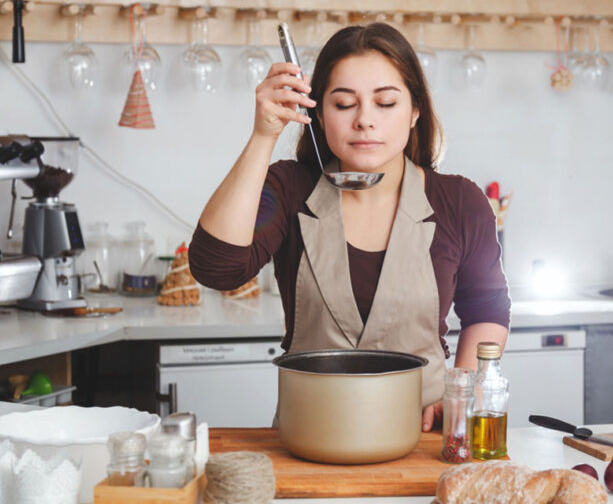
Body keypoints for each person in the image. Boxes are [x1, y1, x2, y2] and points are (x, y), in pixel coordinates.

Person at [189, 23, 510, 431]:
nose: (364, 121)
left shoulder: (459, 201)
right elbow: (216, 268)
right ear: (318, 114)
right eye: (343, 105)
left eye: (386, 103)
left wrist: (462, 394)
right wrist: (263, 135)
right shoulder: (290, 189)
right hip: (310, 433)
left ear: (415, 111)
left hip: (427, 434)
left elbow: (487, 310)